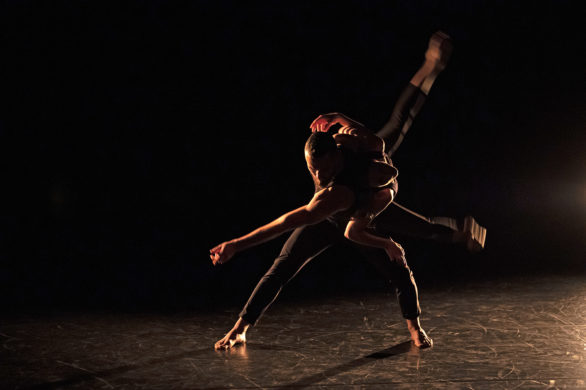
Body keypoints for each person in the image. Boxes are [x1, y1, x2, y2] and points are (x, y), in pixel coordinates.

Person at [210, 31, 484, 351]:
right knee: (281, 267)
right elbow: (288, 221)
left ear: (339, 157)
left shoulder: (363, 174)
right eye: (313, 170)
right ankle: (241, 328)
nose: (317, 175)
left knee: (404, 256)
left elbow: (334, 228)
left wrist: (386, 241)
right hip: (334, 218)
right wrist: (337, 116)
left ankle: (415, 326)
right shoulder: (338, 155)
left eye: (323, 170)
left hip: (361, 210)